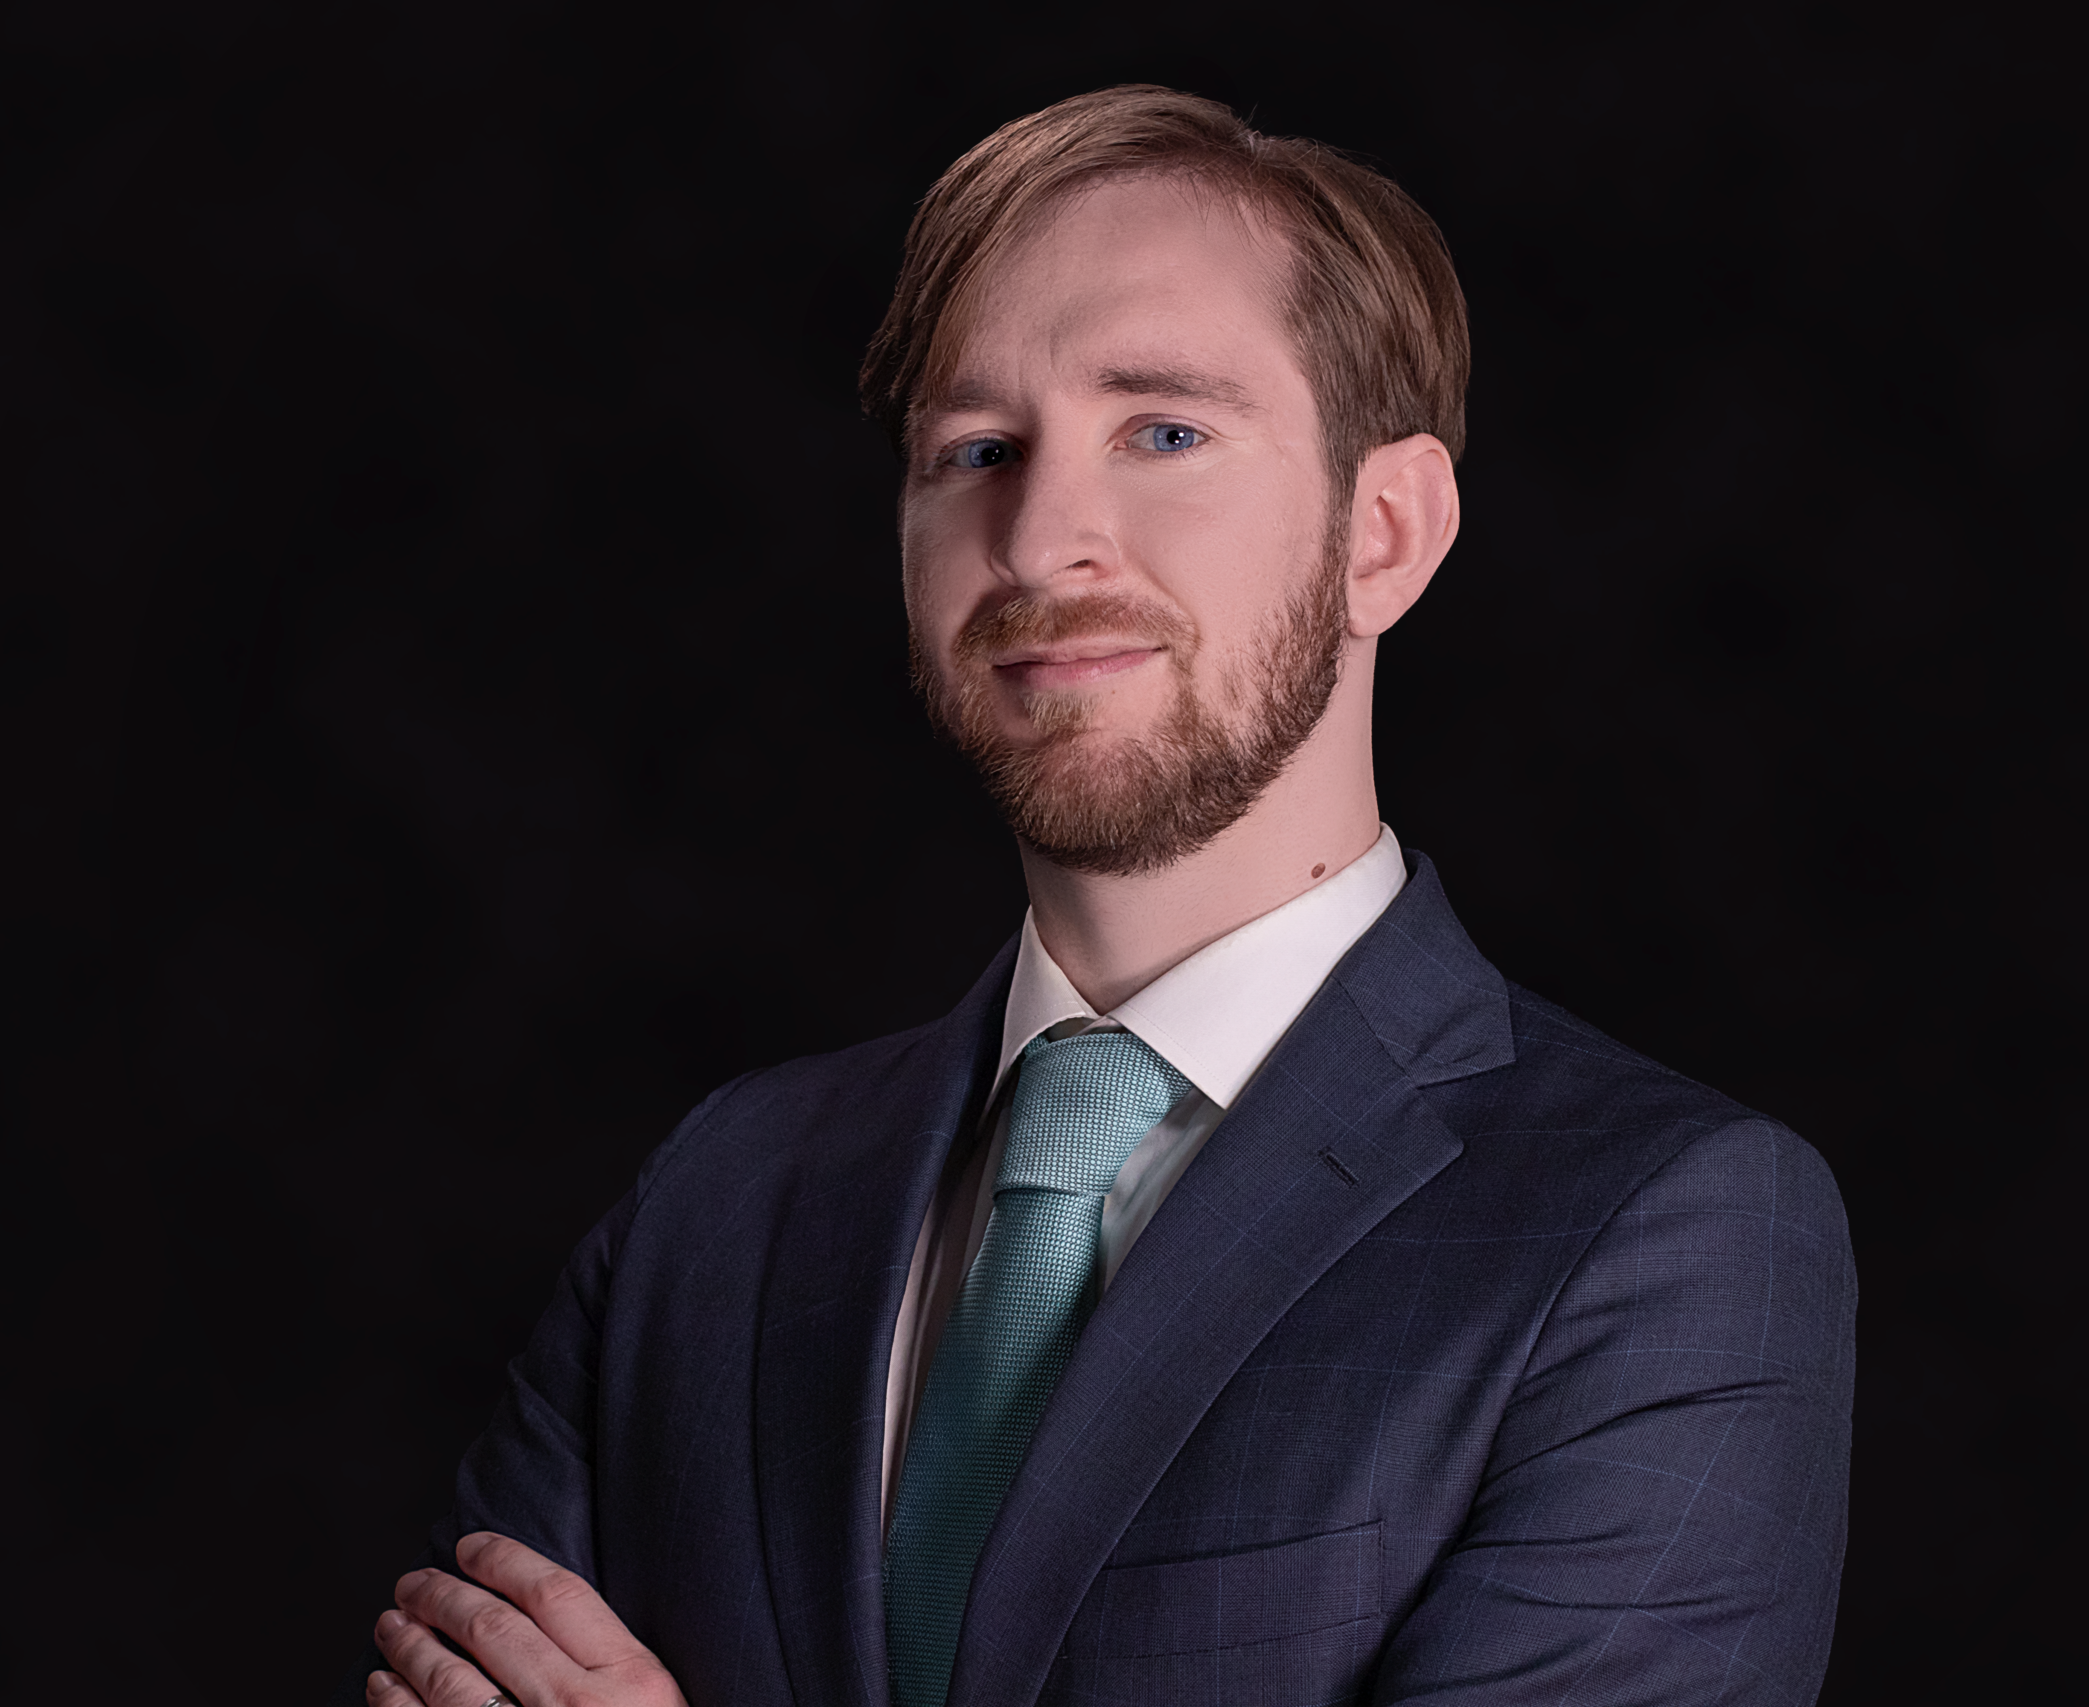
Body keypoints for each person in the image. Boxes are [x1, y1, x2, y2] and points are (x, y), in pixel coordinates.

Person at [352, 85, 1855, 1707]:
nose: (1041, 537)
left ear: (1386, 533)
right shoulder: (715, 1203)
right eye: (976, 451)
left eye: (1164, 431)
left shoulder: (1661, 1230)